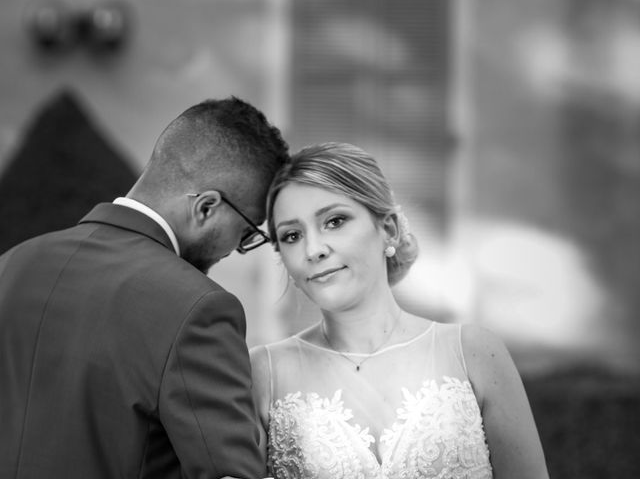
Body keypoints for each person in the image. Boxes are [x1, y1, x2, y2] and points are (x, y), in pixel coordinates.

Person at [0, 96, 289, 479]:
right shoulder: (198, 308)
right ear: (206, 207)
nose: (236, 250)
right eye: (247, 231)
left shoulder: (12, 264)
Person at [250, 142, 549, 478]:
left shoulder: (475, 353)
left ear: (388, 229)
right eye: (291, 235)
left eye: (334, 221)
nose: (313, 249)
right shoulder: (263, 372)